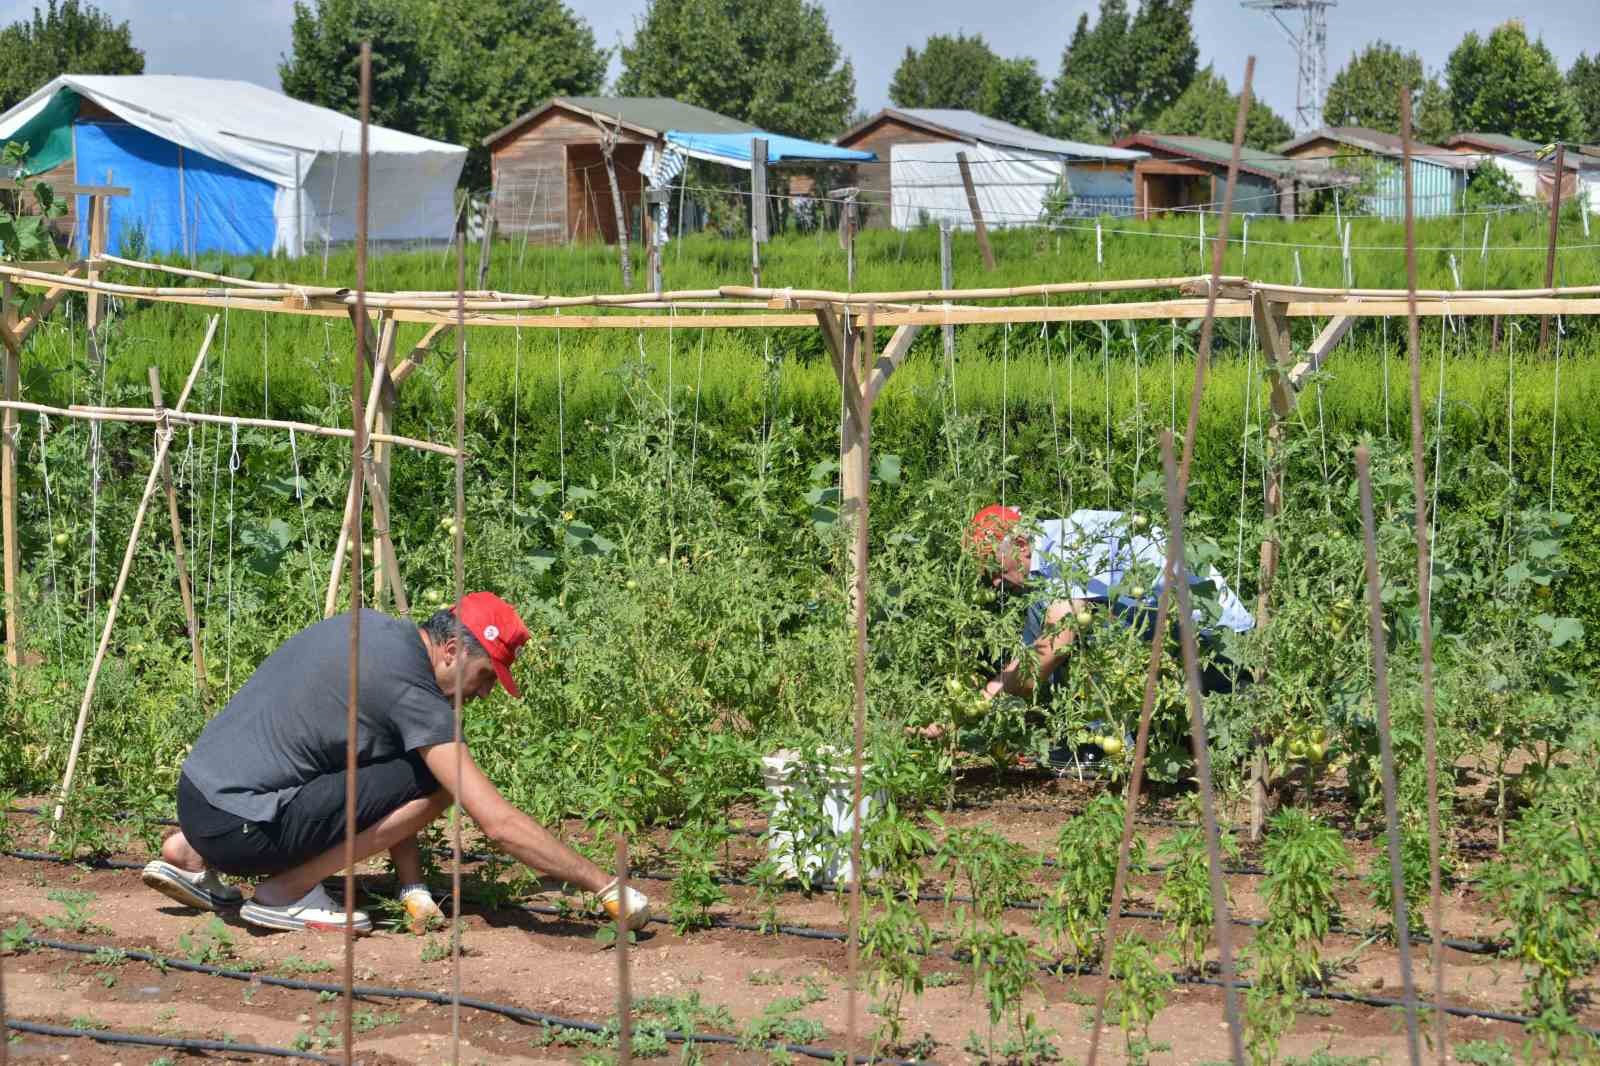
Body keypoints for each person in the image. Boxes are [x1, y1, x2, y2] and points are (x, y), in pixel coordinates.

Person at [141, 592, 647, 934]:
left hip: (201, 802)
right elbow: (496, 823)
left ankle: (187, 853)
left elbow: (384, 775)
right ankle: (284, 893)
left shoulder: (372, 629)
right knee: (442, 781)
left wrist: (413, 884)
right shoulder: (415, 694)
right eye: (486, 676)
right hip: (243, 829)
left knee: (406, 770)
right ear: (451, 650)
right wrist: (603, 884)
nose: (485, 693)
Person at [967, 505, 1254, 704]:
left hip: (1217, 643)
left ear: (1021, 543)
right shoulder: (1044, 566)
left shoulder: (1074, 541)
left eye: (996, 570)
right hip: (1175, 634)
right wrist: (980, 701)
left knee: (1084, 622)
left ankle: (1104, 741)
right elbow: (1031, 656)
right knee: (1052, 612)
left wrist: (981, 703)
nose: (995, 583)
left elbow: (1055, 645)